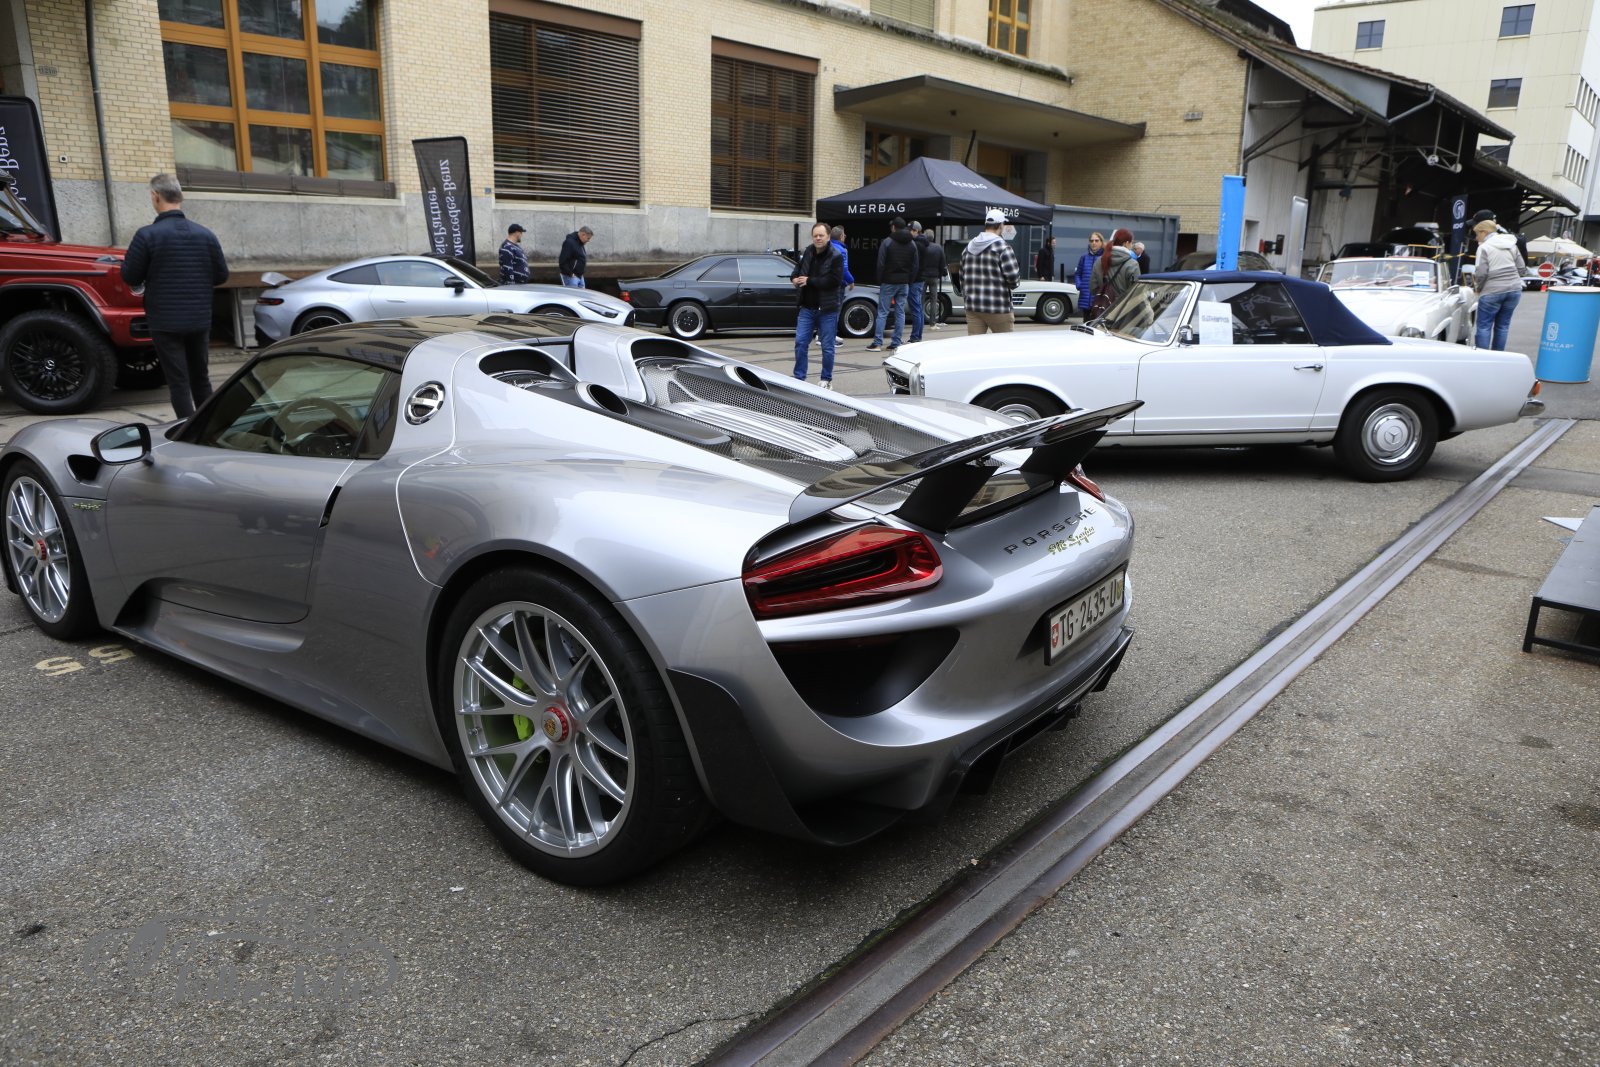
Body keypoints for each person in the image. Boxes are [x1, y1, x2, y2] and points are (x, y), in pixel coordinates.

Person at [120, 173, 228, 420]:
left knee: (178, 382)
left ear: (155, 196)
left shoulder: (147, 235)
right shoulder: (205, 234)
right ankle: (209, 427)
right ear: (180, 196)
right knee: (201, 378)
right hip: (199, 318)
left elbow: (130, 276)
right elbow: (221, 275)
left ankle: (185, 430)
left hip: (165, 321)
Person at [790, 221, 845, 387]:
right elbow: (798, 269)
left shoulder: (836, 256)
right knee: (800, 342)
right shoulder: (808, 251)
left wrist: (810, 281)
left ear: (828, 237)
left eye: (821, 235)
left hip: (827, 309)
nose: (818, 238)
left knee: (827, 347)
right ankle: (799, 378)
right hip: (807, 307)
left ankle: (826, 379)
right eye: (815, 236)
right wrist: (794, 278)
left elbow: (834, 281)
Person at [960, 208, 1021, 335]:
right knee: (1005, 345)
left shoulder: (968, 247)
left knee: (975, 345)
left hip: (973, 306)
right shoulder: (1003, 247)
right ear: (1000, 225)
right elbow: (1014, 280)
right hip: (998, 307)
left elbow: (962, 278)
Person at [868, 216, 920, 351]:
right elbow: (915, 265)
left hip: (888, 281)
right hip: (904, 282)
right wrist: (909, 280)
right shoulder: (912, 243)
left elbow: (880, 263)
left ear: (893, 227)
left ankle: (877, 343)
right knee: (900, 312)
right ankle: (896, 342)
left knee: (882, 312)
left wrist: (880, 279)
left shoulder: (887, 242)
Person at [1471, 218, 1522, 350]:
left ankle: (1483, 357)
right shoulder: (1511, 244)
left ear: (1484, 232)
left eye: (1477, 234)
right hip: (1514, 290)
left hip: (1492, 291)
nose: (1476, 238)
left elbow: (1481, 273)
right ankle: (1498, 356)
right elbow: (1522, 268)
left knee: (1484, 326)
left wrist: (1478, 288)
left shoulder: (1484, 248)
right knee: (1503, 326)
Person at [1089, 228, 1140, 319]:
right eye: (1132, 242)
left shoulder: (1099, 261)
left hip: (1103, 311)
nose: (1132, 246)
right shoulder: (1132, 264)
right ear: (1126, 243)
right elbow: (1136, 294)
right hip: (1123, 314)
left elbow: (1093, 288)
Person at [912, 223, 947, 341]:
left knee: (920, 300)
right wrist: (940, 274)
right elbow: (942, 263)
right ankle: (932, 323)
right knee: (933, 300)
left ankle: (919, 322)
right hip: (934, 277)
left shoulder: (922, 247)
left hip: (922, 276)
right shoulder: (938, 248)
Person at [1075, 232, 1104, 319]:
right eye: (1091, 241)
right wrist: (1079, 285)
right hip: (1085, 296)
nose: (1094, 243)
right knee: (1086, 322)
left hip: (1099, 297)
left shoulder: (1105, 257)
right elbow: (1078, 273)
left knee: (1097, 323)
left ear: (1101, 242)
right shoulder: (1084, 257)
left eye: (1096, 240)